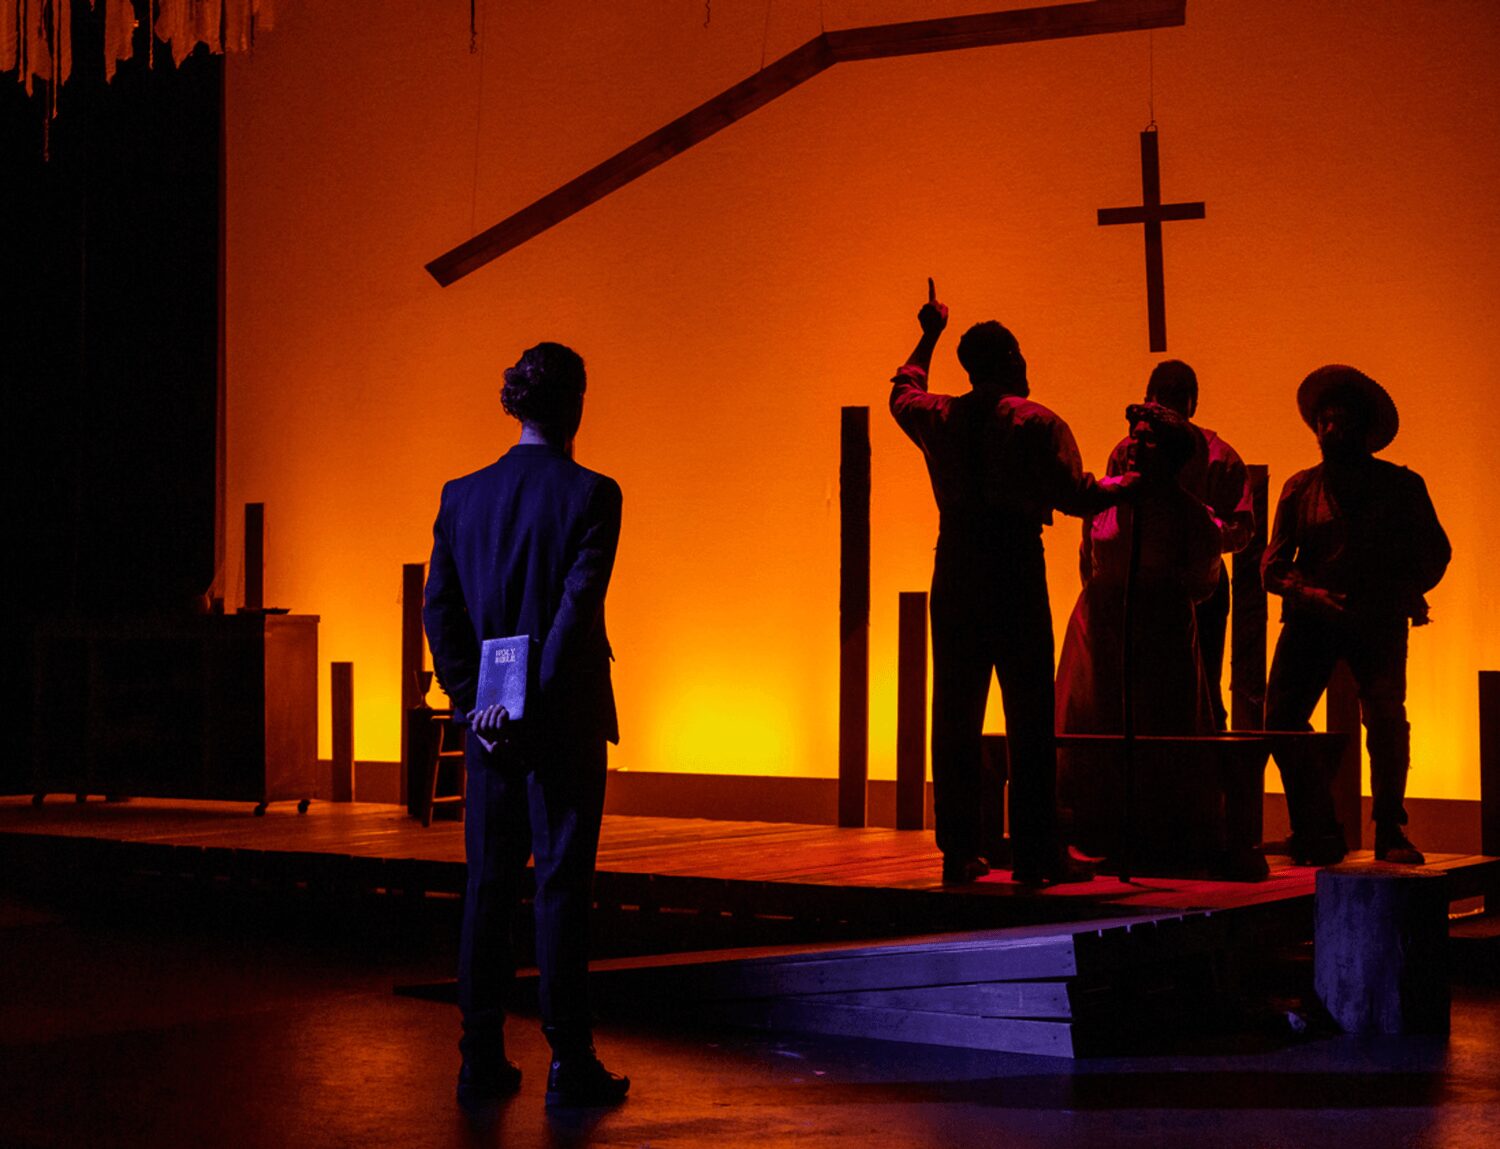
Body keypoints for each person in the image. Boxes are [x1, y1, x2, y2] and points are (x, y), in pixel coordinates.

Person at [423, 341, 630, 1108]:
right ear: (575, 403)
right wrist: (531, 706)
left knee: (487, 885)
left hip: (487, 726)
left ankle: (479, 1054)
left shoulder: (460, 495)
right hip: (562, 722)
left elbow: (439, 609)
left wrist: (479, 700)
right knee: (562, 890)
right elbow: (575, 615)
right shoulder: (594, 494)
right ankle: (569, 1060)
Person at [890, 279, 1135, 887]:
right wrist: (1136, 485)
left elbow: (902, 389)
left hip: (955, 565)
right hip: (1013, 565)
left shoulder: (939, 416)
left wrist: (929, 332)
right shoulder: (1037, 422)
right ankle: (1035, 851)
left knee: (954, 711)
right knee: (1029, 712)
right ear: (1008, 361)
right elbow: (1076, 495)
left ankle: (960, 849)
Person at [1262, 365, 1450, 866]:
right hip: (1310, 618)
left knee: (1386, 718)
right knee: (1280, 718)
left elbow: (1436, 552)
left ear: (1364, 431)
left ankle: (1390, 825)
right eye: (1324, 421)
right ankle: (1315, 824)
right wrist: (1309, 594)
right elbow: (1273, 566)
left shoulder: (1402, 487)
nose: (1330, 431)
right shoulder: (1300, 488)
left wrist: (1401, 591)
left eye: (1341, 422)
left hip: (1376, 617)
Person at [1098, 360, 1254, 730]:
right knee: (1134, 684)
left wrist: (1199, 536)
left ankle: (1204, 769)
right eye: (1161, 401)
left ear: (1193, 405)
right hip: (1137, 581)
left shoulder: (1220, 458)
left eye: (1176, 401)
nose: (1168, 410)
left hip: (1201, 582)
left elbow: (1241, 529)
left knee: (1203, 683)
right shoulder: (1127, 452)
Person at [1056, 402, 1222, 738]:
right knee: (1096, 716)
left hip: (1160, 630)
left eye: (1148, 439)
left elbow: (1202, 581)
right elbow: (1088, 560)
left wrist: (1160, 595)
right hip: (1100, 624)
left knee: (1157, 719)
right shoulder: (1104, 496)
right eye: (1134, 436)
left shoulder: (1190, 515)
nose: (1134, 444)